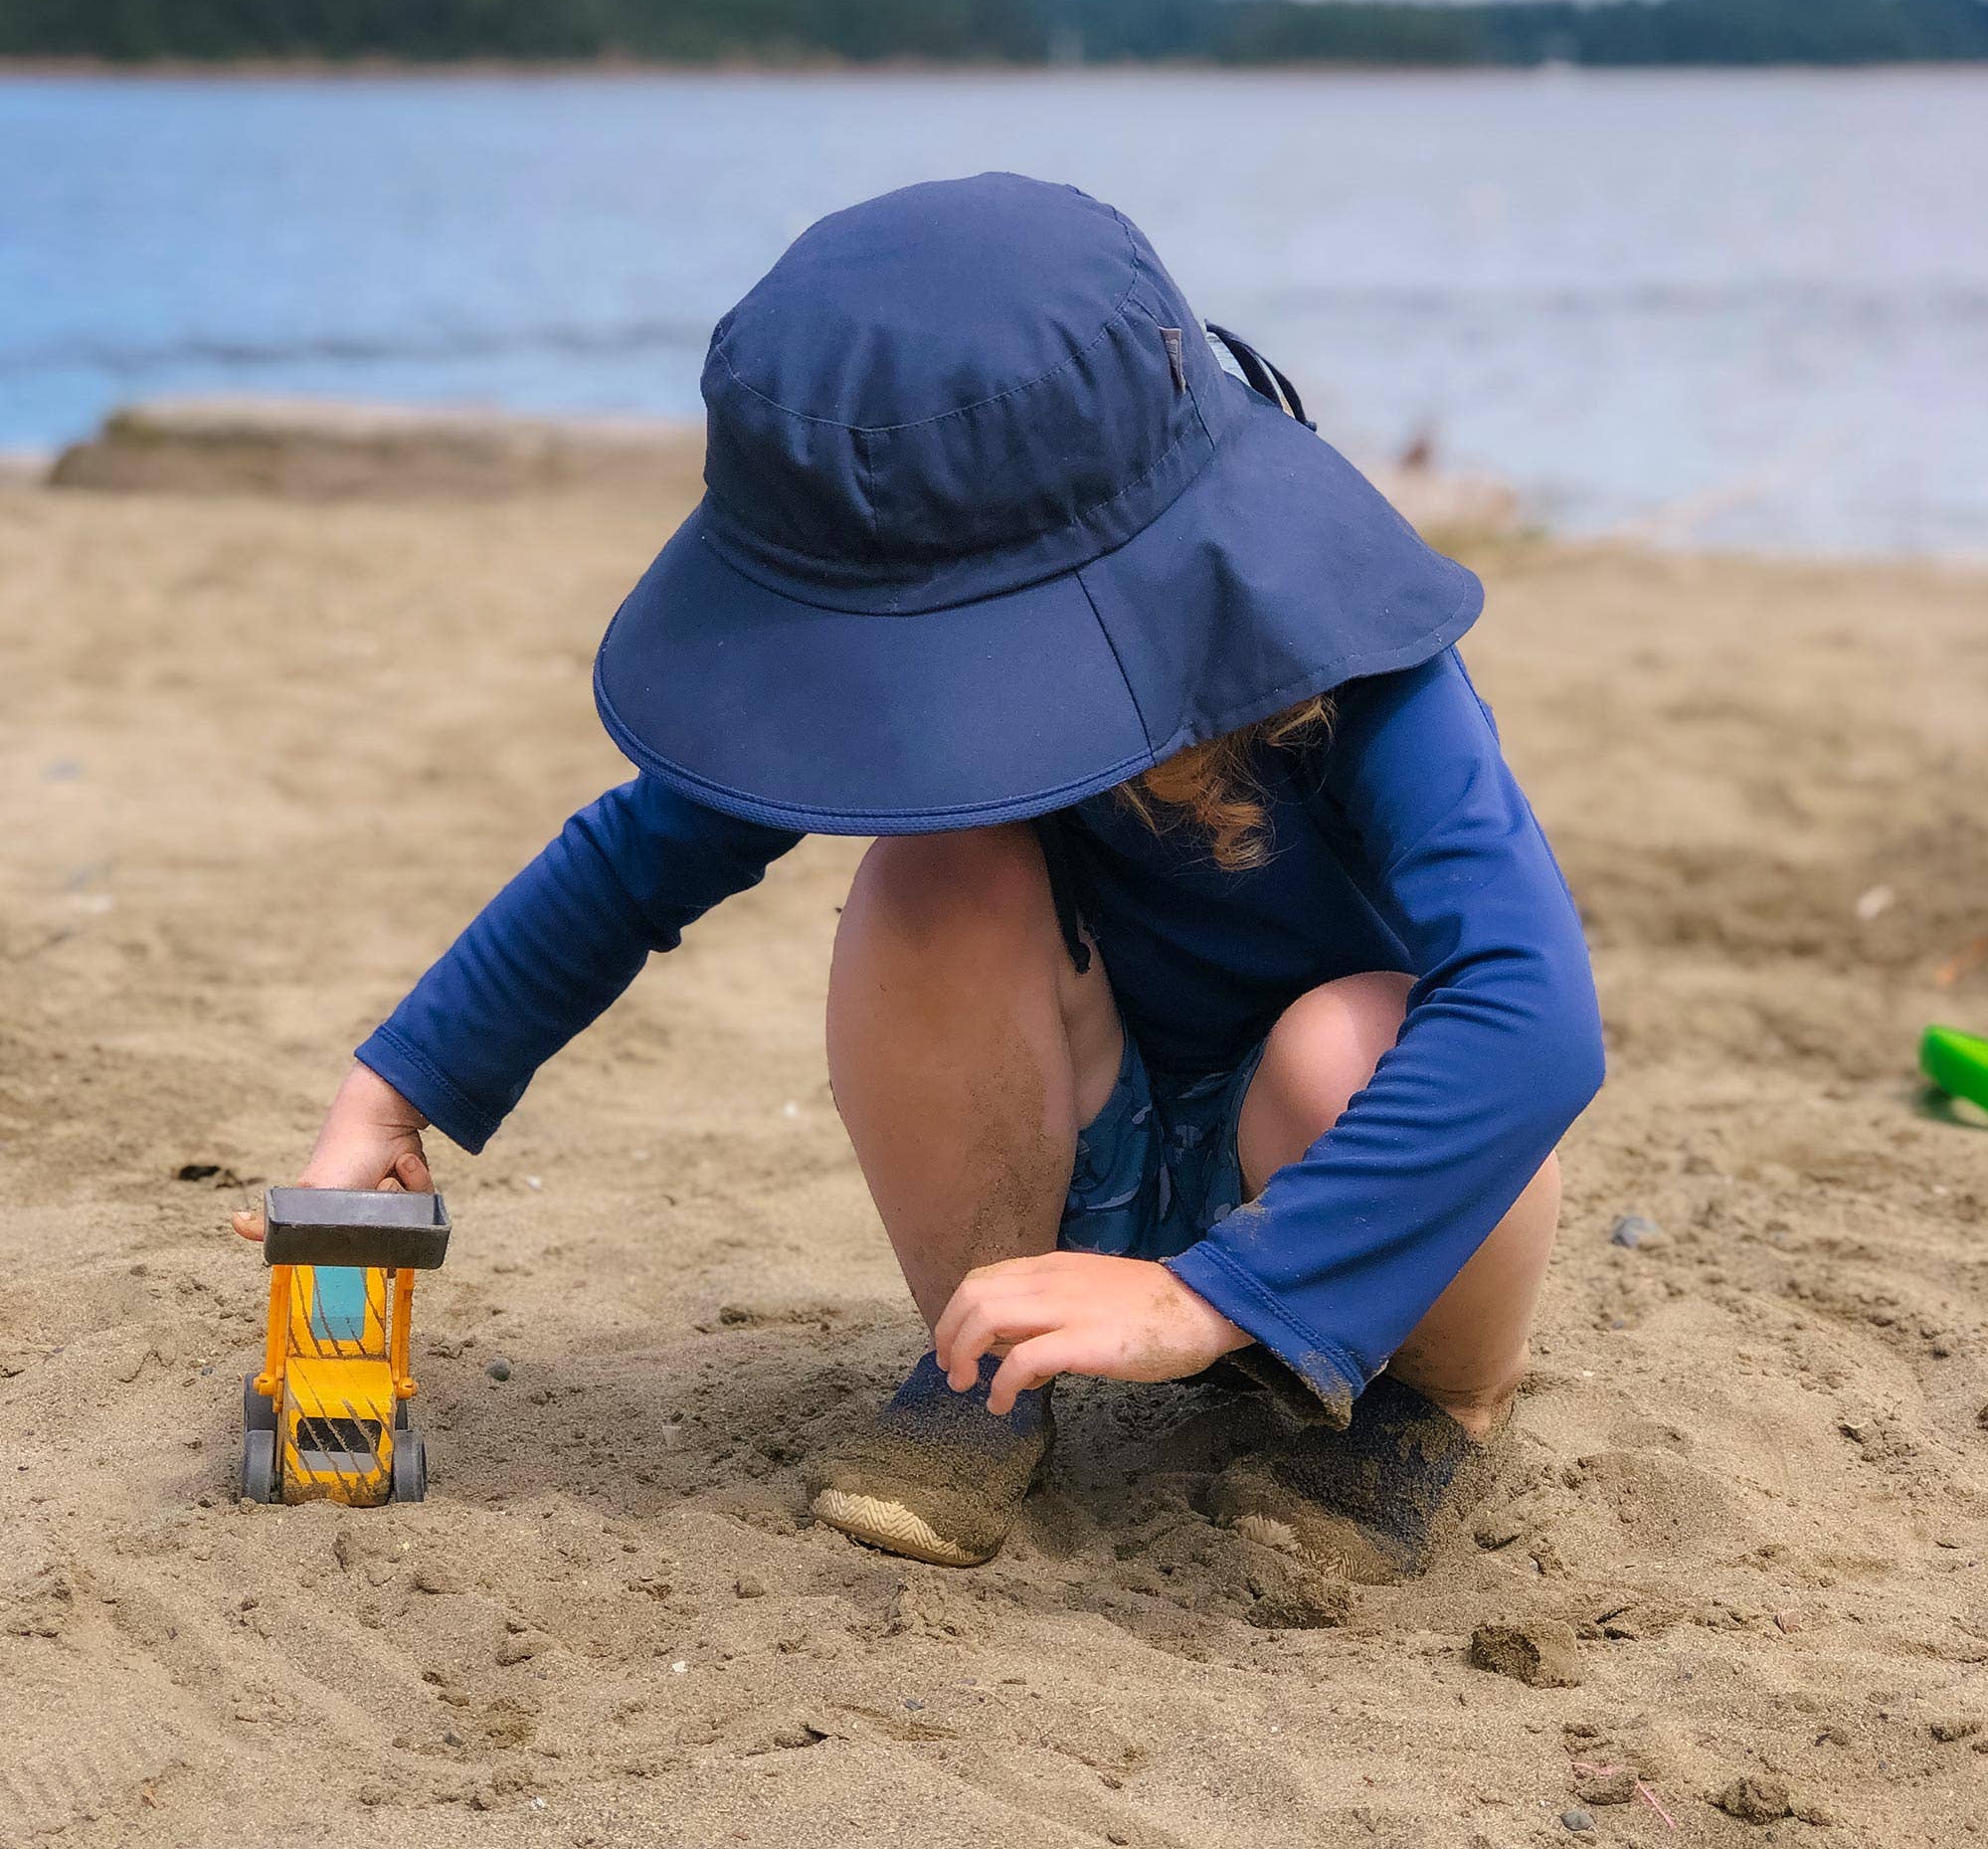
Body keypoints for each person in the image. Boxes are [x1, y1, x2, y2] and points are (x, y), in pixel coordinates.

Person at [233, 172, 1604, 1579]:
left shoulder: (1345, 642)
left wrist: (1206, 1300)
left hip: (1349, 1173)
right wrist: (388, 1099)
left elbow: (1537, 1016)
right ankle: (983, 1363)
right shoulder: (923, 668)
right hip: (1083, 1133)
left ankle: (1441, 1407)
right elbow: (639, 855)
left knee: (1337, 1046)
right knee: (934, 875)